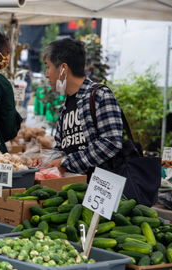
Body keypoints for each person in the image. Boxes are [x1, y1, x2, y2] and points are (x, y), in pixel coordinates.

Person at [43, 38, 123, 175]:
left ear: (63, 69)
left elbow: (111, 142)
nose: (46, 74)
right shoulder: (65, 106)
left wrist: (67, 162)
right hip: (71, 187)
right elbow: (62, 150)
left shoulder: (99, 95)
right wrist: (46, 161)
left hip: (99, 190)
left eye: (47, 66)